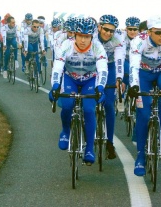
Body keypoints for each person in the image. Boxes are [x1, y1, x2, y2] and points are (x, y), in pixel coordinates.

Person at [49, 18, 108, 164]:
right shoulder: (65, 45)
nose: (83, 40)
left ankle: (89, 148)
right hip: (70, 79)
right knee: (68, 105)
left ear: (92, 37)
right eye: (80, 35)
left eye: (87, 37)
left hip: (89, 80)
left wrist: (100, 87)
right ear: (75, 35)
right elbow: (57, 67)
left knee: (88, 110)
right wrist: (55, 85)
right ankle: (65, 131)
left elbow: (102, 69)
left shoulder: (98, 47)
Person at [128, 15, 161, 176]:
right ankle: (140, 157)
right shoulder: (139, 41)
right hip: (143, 74)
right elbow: (133, 66)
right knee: (144, 114)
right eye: (158, 32)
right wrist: (134, 85)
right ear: (150, 32)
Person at [96, 14, 126, 159]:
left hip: (110, 67)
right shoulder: (92, 37)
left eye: (111, 31)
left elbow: (119, 60)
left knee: (109, 105)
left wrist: (119, 78)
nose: (108, 33)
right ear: (99, 27)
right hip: (93, 67)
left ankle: (110, 142)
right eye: (106, 29)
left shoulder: (117, 39)